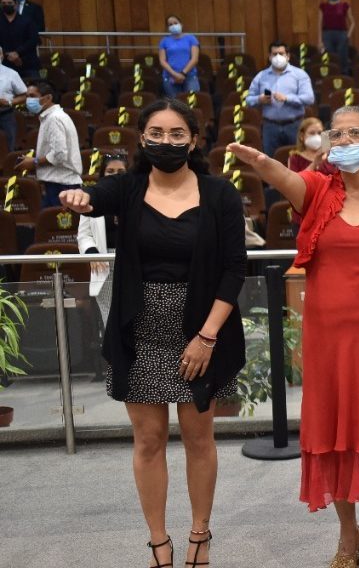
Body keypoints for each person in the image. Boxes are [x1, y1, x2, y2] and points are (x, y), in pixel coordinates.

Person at [226, 105, 359, 568]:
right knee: (333, 432)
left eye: (352, 133)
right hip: (327, 338)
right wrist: (260, 162)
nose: (341, 142)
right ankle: (347, 531)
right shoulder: (317, 192)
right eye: (334, 135)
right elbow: (283, 176)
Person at [58, 98, 247, 568]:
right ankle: (159, 543)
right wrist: (77, 197)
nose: (167, 141)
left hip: (200, 332)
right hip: (138, 331)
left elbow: (234, 269)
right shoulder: (127, 189)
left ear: (194, 140)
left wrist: (207, 337)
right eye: (157, 133)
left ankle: (199, 537)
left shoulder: (219, 194)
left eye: (177, 133)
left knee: (200, 439)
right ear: (142, 139)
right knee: (149, 441)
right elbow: (92, 197)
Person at [78, 153, 129, 382]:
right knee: (110, 317)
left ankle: (135, 364)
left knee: (134, 315)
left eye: (120, 172)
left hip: (133, 264)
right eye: (110, 172)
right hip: (104, 263)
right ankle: (117, 366)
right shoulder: (92, 198)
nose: (115, 176)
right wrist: (91, 253)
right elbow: (84, 235)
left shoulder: (139, 196)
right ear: (102, 175)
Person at [244, 41, 315, 159]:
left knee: (298, 162)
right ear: (270, 56)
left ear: (288, 56)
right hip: (270, 127)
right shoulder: (261, 76)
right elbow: (248, 100)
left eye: (281, 53)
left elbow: (309, 98)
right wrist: (259, 99)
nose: (278, 57)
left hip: (294, 125)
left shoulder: (299, 74)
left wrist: (287, 98)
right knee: (270, 162)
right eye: (274, 54)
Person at [19, 81, 82, 208]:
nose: (28, 100)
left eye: (32, 96)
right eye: (27, 96)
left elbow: (59, 155)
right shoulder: (52, 117)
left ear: (48, 98)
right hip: (57, 183)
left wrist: (34, 162)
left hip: (62, 184)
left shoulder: (54, 119)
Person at [0, 0, 40, 79]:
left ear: (15, 4)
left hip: (27, 64)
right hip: (4, 65)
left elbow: (33, 40)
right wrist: (9, 55)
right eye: (3, 3)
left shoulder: (27, 21)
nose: (7, 5)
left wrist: (17, 53)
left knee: (34, 88)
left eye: (9, 3)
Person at [158, 15, 201, 97]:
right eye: (170, 24)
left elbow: (194, 59)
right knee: (175, 104)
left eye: (175, 23)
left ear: (181, 24)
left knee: (191, 102)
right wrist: (174, 74)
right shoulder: (164, 41)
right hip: (170, 76)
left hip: (189, 76)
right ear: (168, 28)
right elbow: (162, 61)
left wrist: (182, 74)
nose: (173, 26)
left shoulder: (191, 38)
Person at [318, 0, 355, 75]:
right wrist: (319, 40)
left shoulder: (344, 6)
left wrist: (348, 35)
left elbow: (353, 23)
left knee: (342, 58)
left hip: (341, 34)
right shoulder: (323, 6)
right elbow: (319, 24)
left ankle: (344, 77)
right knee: (330, 58)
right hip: (327, 35)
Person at [0, 46, 26, 150]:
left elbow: (25, 95)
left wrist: (9, 102)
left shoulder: (11, 74)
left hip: (6, 115)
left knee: (9, 148)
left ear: (1, 56)